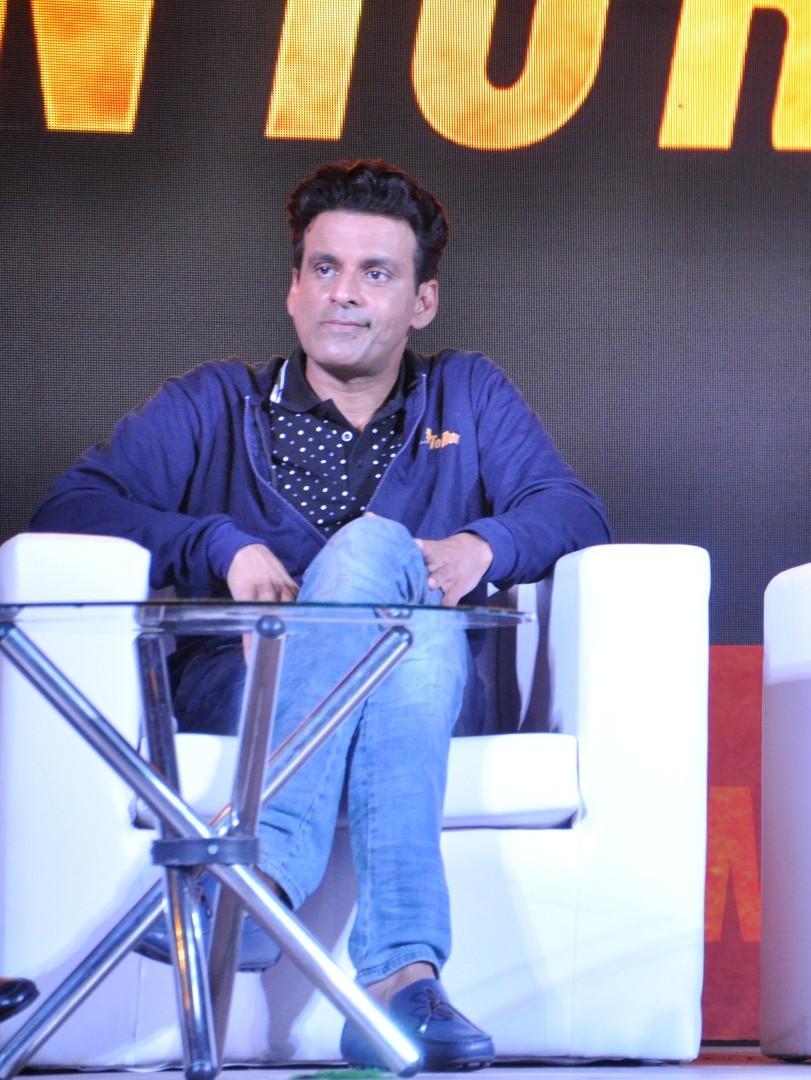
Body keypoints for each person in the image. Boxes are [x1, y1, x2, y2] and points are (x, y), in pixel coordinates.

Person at [31, 160, 611, 1070]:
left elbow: (574, 511)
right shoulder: (216, 403)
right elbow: (71, 509)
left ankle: (256, 882)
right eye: (325, 268)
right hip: (244, 689)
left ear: (421, 302)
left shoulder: (467, 393)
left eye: (376, 273)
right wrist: (218, 544)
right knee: (402, 597)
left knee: (387, 570)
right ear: (294, 289)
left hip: (430, 695)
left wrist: (482, 546)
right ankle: (401, 980)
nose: (345, 293)